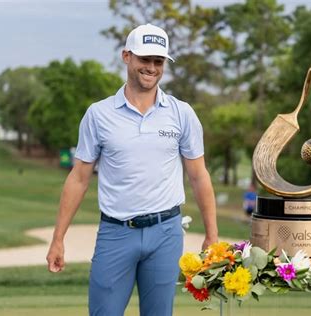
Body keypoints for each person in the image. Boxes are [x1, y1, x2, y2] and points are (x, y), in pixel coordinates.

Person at [46, 23, 218, 316]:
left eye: (158, 61)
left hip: (167, 233)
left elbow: (199, 176)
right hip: (116, 233)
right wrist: (58, 238)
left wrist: (212, 235)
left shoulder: (182, 113)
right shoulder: (98, 114)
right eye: (144, 59)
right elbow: (78, 179)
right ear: (127, 56)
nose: (151, 67)